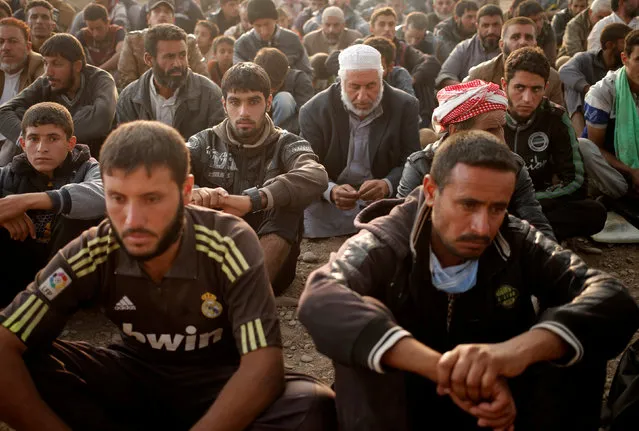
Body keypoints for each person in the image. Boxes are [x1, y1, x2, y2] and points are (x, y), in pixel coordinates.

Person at [0, 119, 337, 430]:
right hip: (133, 377)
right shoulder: (95, 249)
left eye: (152, 198)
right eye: (118, 198)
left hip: (218, 380)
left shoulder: (228, 242)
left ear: (186, 191)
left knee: (313, 407)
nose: (133, 220)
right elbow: (6, 341)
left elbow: (262, 366)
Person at [297, 129, 639, 431]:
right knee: (364, 317)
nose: (482, 226)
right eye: (468, 205)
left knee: (575, 323)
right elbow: (322, 296)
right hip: (407, 408)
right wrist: (445, 370)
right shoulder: (388, 239)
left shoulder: (516, 239)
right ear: (430, 191)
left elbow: (611, 297)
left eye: (496, 208)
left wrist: (511, 354)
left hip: (498, 407)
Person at [187, 63, 328, 294]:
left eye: (253, 101)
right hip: (213, 251)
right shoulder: (204, 142)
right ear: (224, 105)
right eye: (235, 102)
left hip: (272, 263)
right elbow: (167, 166)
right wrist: (193, 190)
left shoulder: (287, 142)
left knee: (289, 202)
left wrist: (255, 199)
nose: (244, 112)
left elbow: (315, 174)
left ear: (269, 103)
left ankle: (249, 295)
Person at [397, 79, 555, 240]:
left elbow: (537, 226)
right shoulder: (421, 166)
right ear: (455, 132)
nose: (501, 141)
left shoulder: (513, 166)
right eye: (490, 131)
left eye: (502, 128)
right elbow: (403, 229)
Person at [300, 44, 420, 238]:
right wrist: (330, 191)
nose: (363, 97)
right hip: (330, 201)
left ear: (381, 80)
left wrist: (387, 184)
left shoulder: (405, 105)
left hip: (383, 200)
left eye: (371, 86)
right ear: (341, 81)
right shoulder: (314, 110)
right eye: (354, 87)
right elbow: (308, 163)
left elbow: (411, 160)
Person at [0, 102, 104, 306]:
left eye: (53, 138)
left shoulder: (88, 168)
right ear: (22, 143)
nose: (42, 148)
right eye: (34, 139)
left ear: (70, 143)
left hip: (71, 281)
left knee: (76, 219)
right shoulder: (9, 174)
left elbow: (105, 193)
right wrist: (4, 212)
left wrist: (24, 201)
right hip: (20, 277)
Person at [502, 47, 607, 242]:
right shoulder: (490, 117)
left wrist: (528, 201)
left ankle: (513, 235)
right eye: (519, 88)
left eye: (536, 89)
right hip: (496, 201)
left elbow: (575, 182)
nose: (527, 98)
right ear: (504, 85)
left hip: (540, 201)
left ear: (546, 87)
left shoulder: (555, 118)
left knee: (595, 213)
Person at [0, 33, 117, 158]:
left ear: (77, 66)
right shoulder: (46, 82)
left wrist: (47, 135)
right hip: (45, 156)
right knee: (21, 115)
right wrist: (30, 139)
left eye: (57, 64)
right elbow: (3, 111)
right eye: (45, 63)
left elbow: (101, 119)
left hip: (91, 159)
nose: (48, 72)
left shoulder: (100, 79)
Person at [116, 24, 225, 141]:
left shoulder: (210, 94)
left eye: (182, 55)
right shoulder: (129, 99)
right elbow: (127, 150)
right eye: (169, 57)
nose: (178, 64)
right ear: (148, 59)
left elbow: (217, 150)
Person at [583, 29, 639, 199]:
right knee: (583, 146)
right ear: (625, 59)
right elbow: (595, 147)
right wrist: (632, 171)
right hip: (615, 172)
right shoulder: (602, 93)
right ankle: (619, 196)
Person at [467, 17, 565, 106]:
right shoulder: (480, 76)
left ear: (535, 45)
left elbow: (559, 120)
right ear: (501, 45)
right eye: (515, 37)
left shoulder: (552, 78)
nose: (523, 42)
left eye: (528, 37)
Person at [117, 0, 208, 90]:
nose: (162, 14)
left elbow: (203, 78)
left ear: (173, 19)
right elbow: (126, 81)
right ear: (148, 18)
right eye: (157, 11)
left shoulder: (188, 42)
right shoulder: (133, 41)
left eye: (167, 11)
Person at [560, 23, 631, 135]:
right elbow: (564, 71)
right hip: (587, 112)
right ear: (609, 45)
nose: (629, 48)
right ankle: (580, 139)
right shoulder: (585, 59)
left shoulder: (627, 64)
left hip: (616, 113)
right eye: (625, 43)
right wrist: (589, 89)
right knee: (572, 86)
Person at [0, 18, 44, 165]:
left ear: (28, 47)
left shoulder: (38, 67)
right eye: (1, 41)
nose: (5, 47)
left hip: (17, 145)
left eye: (13, 41)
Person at [234, 0, 312, 77]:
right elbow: (239, 77)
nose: (264, 31)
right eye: (258, 26)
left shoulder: (292, 40)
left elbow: (306, 72)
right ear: (252, 24)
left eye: (267, 24)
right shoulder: (242, 44)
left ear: (275, 20)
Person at [435, 4, 502, 88]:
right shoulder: (464, 47)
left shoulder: (510, 47)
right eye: (485, 25)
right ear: (477, 26)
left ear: (502, 25)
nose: (491, 30)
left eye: (495, 25)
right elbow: (445, 75)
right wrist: (467, 90)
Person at [253, 47, 314, 134]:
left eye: (275, 83)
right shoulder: (252, 79)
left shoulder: (299, 79)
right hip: (260, 127)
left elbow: (305, 114)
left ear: (286, 72)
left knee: (284, 99)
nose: (272, 89)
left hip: (287, 131)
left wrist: (277, 132)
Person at [76, 3, 125, 75]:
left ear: (108, 22)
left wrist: (99, 70)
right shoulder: (83, 34)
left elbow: (121, 53)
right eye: (91, 29)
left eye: (99, 28)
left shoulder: (117, 32)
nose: (95, 34)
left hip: (111, 73)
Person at [514, 0, 558, 66]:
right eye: (533, 21)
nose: (538, 25)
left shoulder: (547, 28)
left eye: (540, 19)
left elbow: (550, 59)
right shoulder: (513, 32)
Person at [303, 0, 369, 37]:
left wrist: (346, 33)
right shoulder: (321, 11)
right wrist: (323, 29)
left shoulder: (352, 14)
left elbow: (364, 26)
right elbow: (309, 25)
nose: (334, 1)